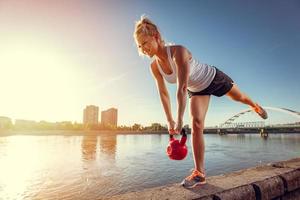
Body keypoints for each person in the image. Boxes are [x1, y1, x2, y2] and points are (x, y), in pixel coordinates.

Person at [133, 16, 268, 188]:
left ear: (156, 36)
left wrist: (179, 119)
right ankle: (200, 173)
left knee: (239, 97)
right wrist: (169, 120)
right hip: (197, 91)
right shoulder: (154, 67)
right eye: (139, 45)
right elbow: (163, 93)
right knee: (196, 124)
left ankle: (254, 105)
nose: (143, 48)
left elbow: (181, 88)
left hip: (212, 78)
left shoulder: (178, 52)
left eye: (145, 42)